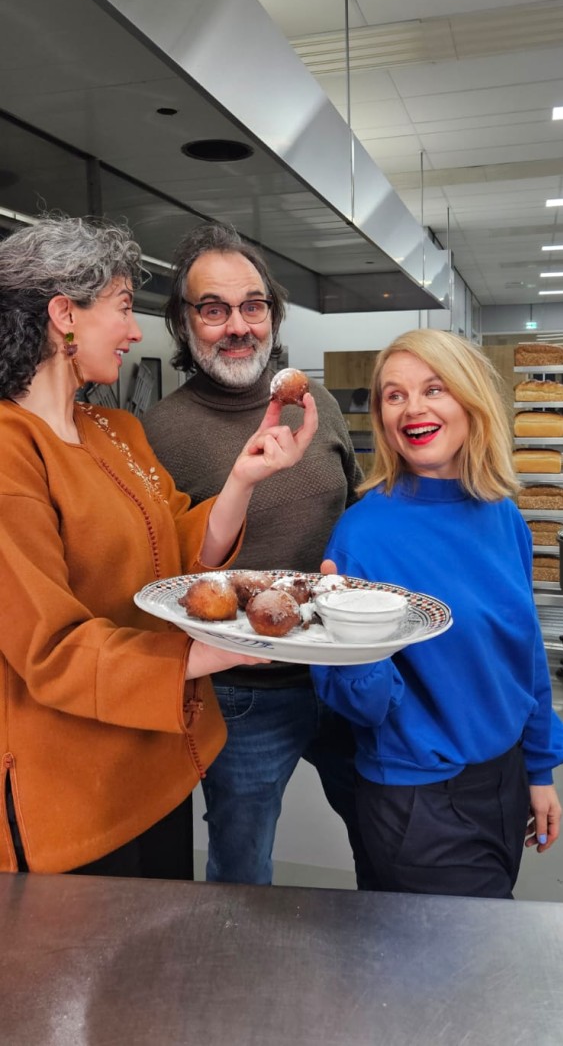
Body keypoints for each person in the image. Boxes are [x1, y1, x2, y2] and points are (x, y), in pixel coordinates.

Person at [0, 215, 318, 877]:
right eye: (122, 307)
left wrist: (243, 477)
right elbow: (51, 649)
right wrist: (214, 647)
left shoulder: (112, 429)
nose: (135, 330)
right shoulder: (10, 451)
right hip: (72, 796)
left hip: (157, 762)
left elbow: (175, 544)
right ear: (64, 315)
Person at [143, 220, 372, 886]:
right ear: (184, 324)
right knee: (241, 872)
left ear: (272, 310)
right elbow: (158, 575)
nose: (238, 325)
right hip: (241, 694)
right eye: (213, 309)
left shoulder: (316, 404)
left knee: (385, 829)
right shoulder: (161, 432)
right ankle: (236, 986)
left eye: (253, 305)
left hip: (341, 674)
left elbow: (353, 511)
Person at [311, 328, 563, 899]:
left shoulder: (504, 517)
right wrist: (353, 642)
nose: (412, 408)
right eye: (394, 395)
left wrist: (540, 770)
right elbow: (359, 705)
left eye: (433, 388)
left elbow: (524, 655)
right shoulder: (362, 535)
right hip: (418, 799)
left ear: (469, 400)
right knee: (467, 971)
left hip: (504, 778)